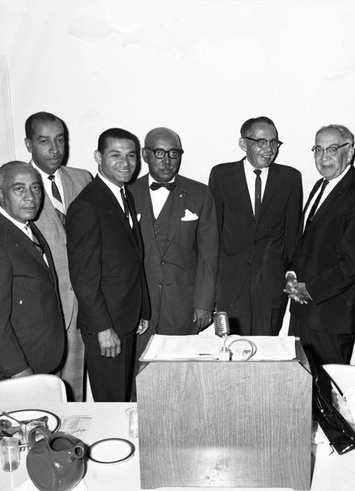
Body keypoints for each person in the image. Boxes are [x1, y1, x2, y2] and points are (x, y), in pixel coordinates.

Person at [66, 128, 150, 402]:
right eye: (116, 155)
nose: (125, 163)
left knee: (122, 397)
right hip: (107, 326)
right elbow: (83, 278)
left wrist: (142, 309)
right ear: (98, 157)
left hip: (124, 318)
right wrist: (104, 330)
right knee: (112, 401)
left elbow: (133, 260)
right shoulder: (88, 205)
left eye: (131, 156)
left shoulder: (123, 194)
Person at [285, 125, 355, 366]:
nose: (323, 157)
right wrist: (292, 275)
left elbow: (354, 262)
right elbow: (307, 242)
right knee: (301, 388)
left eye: (332, 149)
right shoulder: (320, 185)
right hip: (303, 310)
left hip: (331, 315)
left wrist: (311, 289)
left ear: (350, 153)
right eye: (318, 149)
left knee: (329, 394)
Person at [130, 127, 219, 374]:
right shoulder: (127, 193)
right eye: (159, 153)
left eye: (173, 153)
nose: (167, 161)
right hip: (140, 310)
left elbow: (209, 255)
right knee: (140, 378)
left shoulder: (200, 193)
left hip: (183, 306)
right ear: (145, 154)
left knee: (180, 379)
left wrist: (204, 303)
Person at [0, 161, 65, 388]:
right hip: (10, 374)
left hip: (39, 361)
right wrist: (22, 375)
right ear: (0, 194)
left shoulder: (25, 226)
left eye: (35, 188)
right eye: (19, 188)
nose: (31, 197)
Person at [209, 116, 302, 335]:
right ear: (244, 144)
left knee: (266, 353)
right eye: (261, 142)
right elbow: (214, 232)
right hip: (230, 286)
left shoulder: (290, 178)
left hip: (270, 286)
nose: (269, 149)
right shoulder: (221, 175)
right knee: (231, 350)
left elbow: (292, 235)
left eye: (273, 142)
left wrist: (290, 277)